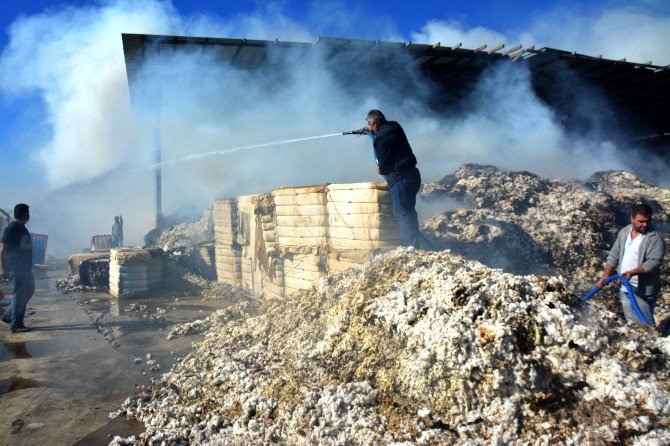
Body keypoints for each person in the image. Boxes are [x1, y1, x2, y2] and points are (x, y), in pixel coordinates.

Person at [597, 203, 666, 325]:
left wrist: (632, 272)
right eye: (641, 221)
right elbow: (614, 254)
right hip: (625, 286)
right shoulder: (624, 232)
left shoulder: (655, 238)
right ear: (632, 219)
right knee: (631, 322)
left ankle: (653, 343)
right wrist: (606, 275)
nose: (645, 224)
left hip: (643, 290)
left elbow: (653, 262)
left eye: (648, 221)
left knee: (646, 323)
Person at [361, 109, 421, 247]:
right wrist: (370, 132)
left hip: (400, 179)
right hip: (413, 175)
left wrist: (380, 168)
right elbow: (386, 136)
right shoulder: (394, 126)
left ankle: (409, 247)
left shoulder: (381, 139)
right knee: (410, 211)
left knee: (401, 212)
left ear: (375, 124)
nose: (370, 127)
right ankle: (415, 243)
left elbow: (383, 163)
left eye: (370, 125)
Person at [0, 204, 35, 333]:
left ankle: (9, 316)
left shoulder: (21, 227)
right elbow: (2, 249)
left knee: (30, 290)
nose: (29, 215)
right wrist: (2, 268)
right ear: (25, 213)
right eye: (28, 212)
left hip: (25, 267)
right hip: (16, 267)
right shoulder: (12, 228)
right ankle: (16, 324)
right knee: (19, 295)